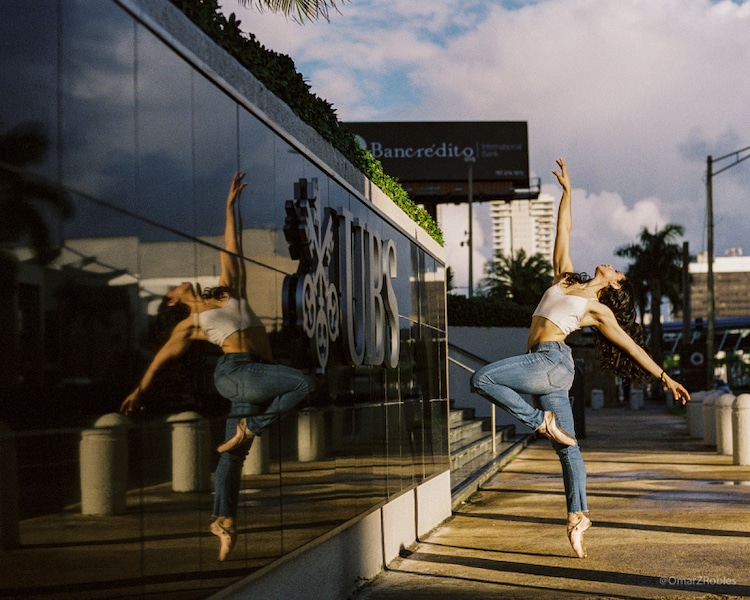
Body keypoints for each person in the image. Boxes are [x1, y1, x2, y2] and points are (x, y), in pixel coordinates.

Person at [470, 158, 690, 559]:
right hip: (545, 364)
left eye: (617, 272)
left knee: (482, 379)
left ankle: (541, 423)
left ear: (613, 288)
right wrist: (568, 193)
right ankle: (579, 518)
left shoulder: (598, 311)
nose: (611, 265)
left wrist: (665, 377)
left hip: (552, 363)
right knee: (568, 449)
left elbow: (631, 346)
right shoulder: (564, 277)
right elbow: (564, 230)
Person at [120, 172, 315, 561]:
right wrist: (140, 390)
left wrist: (229, 207)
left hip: (252, 374)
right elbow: (160, 359)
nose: (180, 285)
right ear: (174, 303)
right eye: (173, 289)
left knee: (232, 457)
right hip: (236, 372)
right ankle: (249, 430)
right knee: (306, 383)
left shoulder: (229, 290)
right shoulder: (189, 324)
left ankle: (222, 522)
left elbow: (231, 245)